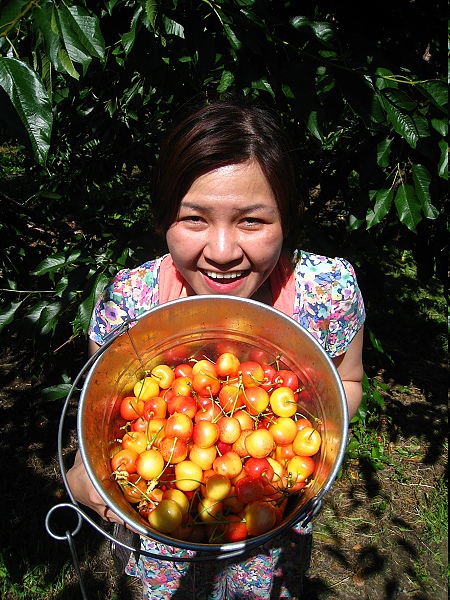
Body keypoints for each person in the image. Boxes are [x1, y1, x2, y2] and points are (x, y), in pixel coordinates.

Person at [67, 98, 365, 599]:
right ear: (164, 219)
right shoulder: (132, 305)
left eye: (252, 221)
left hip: (269, 536)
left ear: (286, 220)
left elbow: (348, 381)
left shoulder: (326, 295)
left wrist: (322, 429)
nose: (223, 251)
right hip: (159, 541)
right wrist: (83, 472)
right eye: (195, 219)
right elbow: (99, 411)